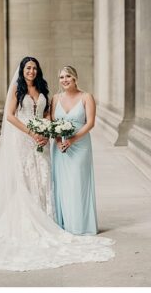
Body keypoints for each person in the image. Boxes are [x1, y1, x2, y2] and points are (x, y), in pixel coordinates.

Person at [0, 57, 114, 271]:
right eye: (27, 68)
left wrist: (47, 133)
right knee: (25, 178)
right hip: (23, 140)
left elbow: (48, 114)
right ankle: (26, 222)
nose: (31, 71)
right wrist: (32, 133)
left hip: (42, 140)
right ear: (22, 70)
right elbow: (10, 116)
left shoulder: (42, 89)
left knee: (43, 176)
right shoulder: (16, 89)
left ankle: (48, 219)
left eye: (34, 68)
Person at [51, 66, 100, 235]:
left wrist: (72, 139)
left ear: (75, 78)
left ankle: (80, 225)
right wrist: (58, 141)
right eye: (61, 77)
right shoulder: (55, 98)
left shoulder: (86, 97)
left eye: (68, 76)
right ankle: (64, 223)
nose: (64, 80)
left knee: (78, 183)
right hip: (60, 148)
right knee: (63, 184)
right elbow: (52, 123)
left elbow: (90, 123)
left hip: (80, 145)